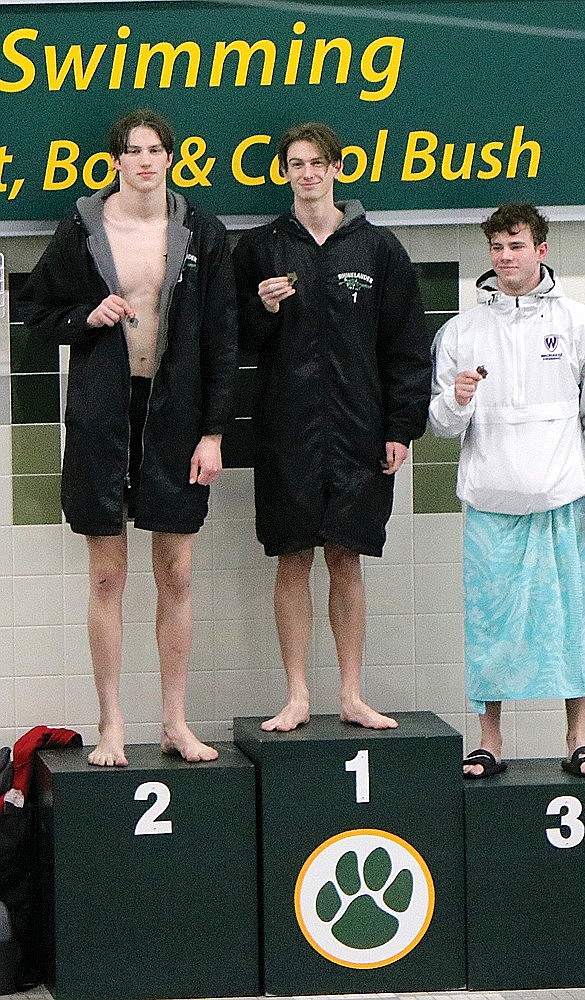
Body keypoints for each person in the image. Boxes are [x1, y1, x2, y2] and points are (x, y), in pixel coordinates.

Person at [21, 109, 238, 766]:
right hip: (102, 414)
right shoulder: (85, 229)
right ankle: (111, 723)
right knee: (108, 576)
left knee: (176, 573)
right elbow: (35, 312)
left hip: (175, 418)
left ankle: (174, 720)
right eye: (133, 151)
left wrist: (214, 434)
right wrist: (87, 316)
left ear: (171, 158)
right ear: (116, 161)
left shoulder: (201, 231)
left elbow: (222, 339)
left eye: (156, 150)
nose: (145, 160)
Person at [233, 121, 431, 732]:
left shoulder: (378, 249)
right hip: (286, 428)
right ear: (284, 173)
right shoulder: (262, 248)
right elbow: (233, 337)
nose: (308, 173)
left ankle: (350, 694)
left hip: (359, 431)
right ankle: (297, 696)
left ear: (339, 169)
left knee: (347, 558)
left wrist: (401, 427)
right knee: (291, 558)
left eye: (317, 162)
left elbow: (406, 346)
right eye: (295, 164)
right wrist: (261, 311)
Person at [429, 203, 585, 779]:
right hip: (491, 505)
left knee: (570, 620)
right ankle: (490, 741)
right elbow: (441, 425)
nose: (505, 257)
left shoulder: (580, 324)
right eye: (497, 248)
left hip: (562, 499)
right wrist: (458, 400)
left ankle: (579, 739)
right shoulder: (461, 332)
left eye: (516, 246)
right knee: (490, 625)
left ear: (541, 250)